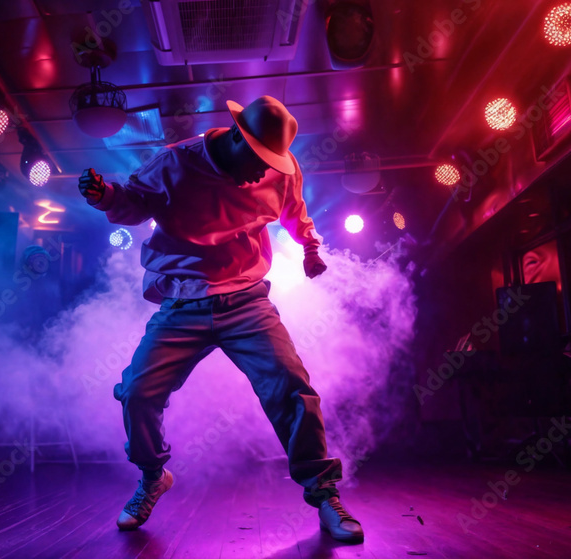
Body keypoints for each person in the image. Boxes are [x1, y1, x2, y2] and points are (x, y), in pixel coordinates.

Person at [78, 95, 363, 544]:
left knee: (292, 387)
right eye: (258, 159)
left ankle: (325, 493)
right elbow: (133, 203)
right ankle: (153, 476)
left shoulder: (280, 171)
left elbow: (295, 213)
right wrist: (105, 195)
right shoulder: (175, 163)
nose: (263, 171)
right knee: (136, 392)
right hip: (183, 304)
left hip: (246, 301)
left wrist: (310, 249)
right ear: (235, 136)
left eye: (273, 161)